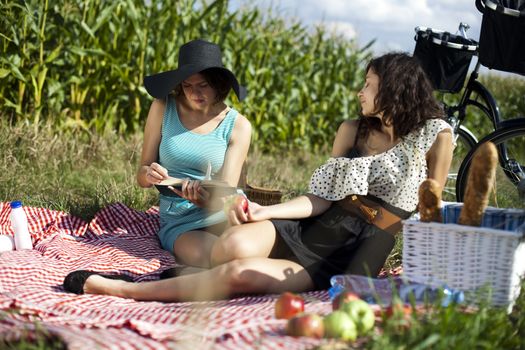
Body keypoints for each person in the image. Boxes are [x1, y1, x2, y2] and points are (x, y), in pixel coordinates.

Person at [63, 52, 454, 301]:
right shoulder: (351, 131)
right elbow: (321, 199)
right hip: (312, 225)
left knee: (236, 273)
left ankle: (125, 288)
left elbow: (431, 214)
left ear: (395, 89)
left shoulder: (435, 136)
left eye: (369, 84)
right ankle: (185, 275)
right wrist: (265, 212)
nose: (359, 91)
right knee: (231, 244)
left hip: (347, 256)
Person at [137, 39, 251, 268]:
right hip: (181, 220)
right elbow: (141, 176)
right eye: (187, 85)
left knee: (249, 255)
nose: (194, 93)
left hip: (224, 212)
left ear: (219, 85)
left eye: (203, 85)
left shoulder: (238, 125)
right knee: (216, 259)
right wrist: (149, 174)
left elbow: (226, 192)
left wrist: (204, 199)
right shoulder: (163, 107)